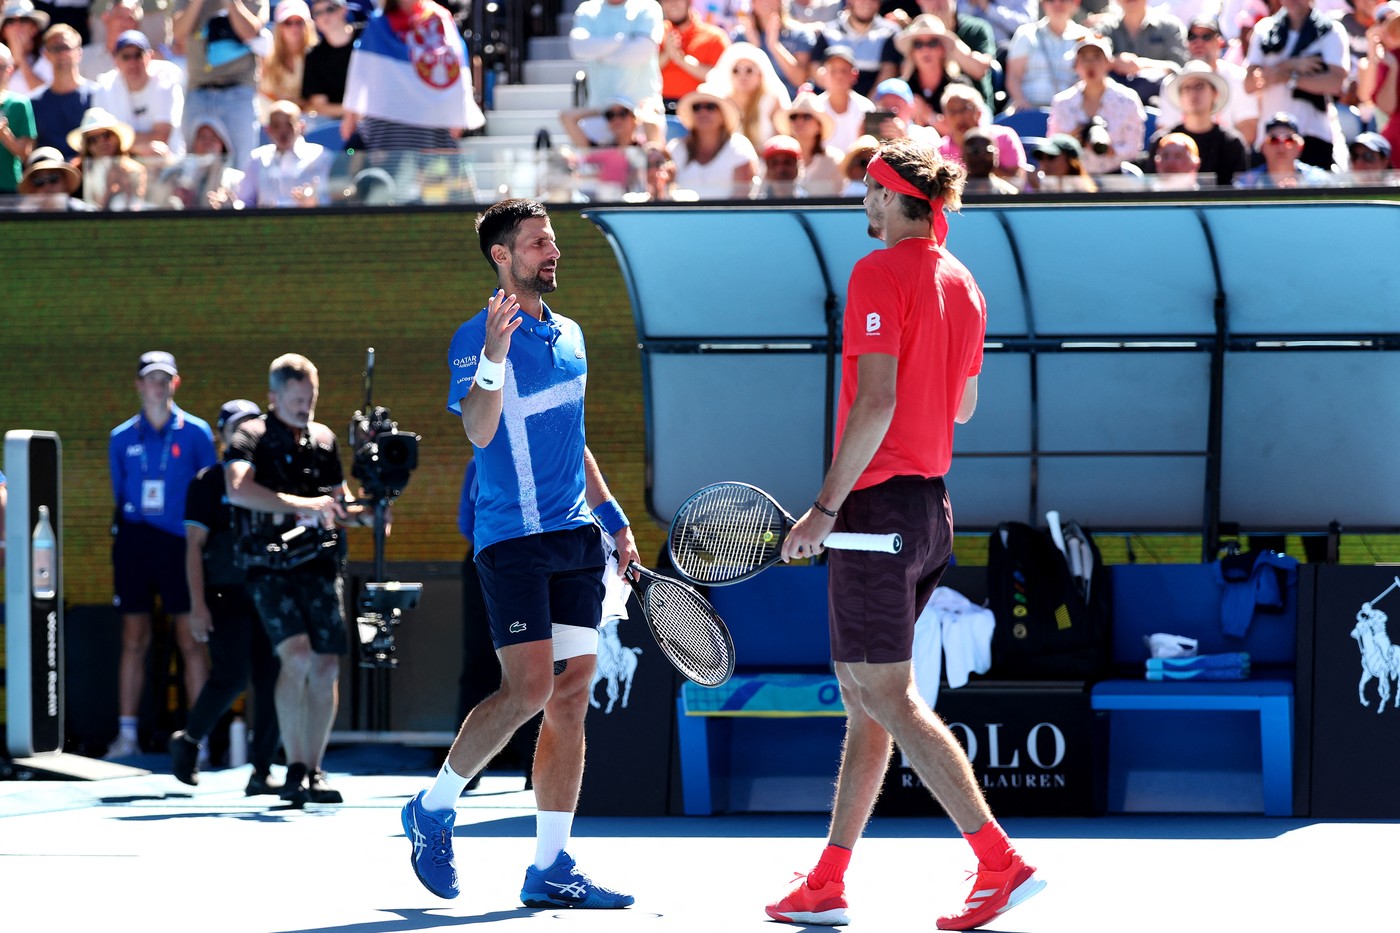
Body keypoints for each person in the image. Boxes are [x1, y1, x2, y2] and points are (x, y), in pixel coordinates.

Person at [763, 136, 1044, 932]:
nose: (863, 202)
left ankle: (1000, 862)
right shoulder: (965, 281)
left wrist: (823, 507)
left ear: (891, 197)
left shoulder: (876, 272)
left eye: (868, 191)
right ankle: (829, 877)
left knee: (884, 693)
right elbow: (961, 408)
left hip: (874, 513)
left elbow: (877, 402)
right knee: (866, 700)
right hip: (929, 514)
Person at [401, 197, 641, 908]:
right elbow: (478, 431)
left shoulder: (571, 334)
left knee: (570, 698)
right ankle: (435, 806)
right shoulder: (474, 338)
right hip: (510, 541)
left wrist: (615, 519)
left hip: (575, 539)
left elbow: (574, 437)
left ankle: (551, 864)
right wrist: (495, 357)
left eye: (553, 239)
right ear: (503, 256)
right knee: (529, 690)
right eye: (538, 242)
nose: (552, 250)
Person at [225, 353, 375, 805]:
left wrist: (368, 510)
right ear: (273, 398)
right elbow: (237, 488)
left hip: (319, 563)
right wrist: (299, 505)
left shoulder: (324, 438)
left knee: (327, 662)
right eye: (295, 402)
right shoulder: (250, 435)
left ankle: (313, 768)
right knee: (297, 656)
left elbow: (337, 501)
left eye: (310, 401)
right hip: (270, 565)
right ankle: (291, 766)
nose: (304, 409)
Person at [106, 351, 219, 760]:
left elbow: (210, 493)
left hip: (180, 544)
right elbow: (121, 494)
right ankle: (127, 736)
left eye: (164, 378)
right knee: (134, 637)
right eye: (150, 378)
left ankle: (199, 740)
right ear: (138, 384)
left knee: (191, 639)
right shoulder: (121, 437)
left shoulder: (196, 433)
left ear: (176, 383)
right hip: (136, 540)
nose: (157, 385)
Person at [170, 398, 283, 796]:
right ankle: (188, 740)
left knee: (272, 679)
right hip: (224, 594)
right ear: (222, 436)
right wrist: (197, 606)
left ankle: (263, 769)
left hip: (268, 592)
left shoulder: (270, 477)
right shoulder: (205, 483)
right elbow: (193, 549)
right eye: (236, 427)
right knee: (231, 675)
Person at [339, 0, 485, 154]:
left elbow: (455, 66)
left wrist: (457, 114)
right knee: (389, 173)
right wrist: (350, 115)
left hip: (430, 120)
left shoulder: (439, 17)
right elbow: (362, 68)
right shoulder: (379, 22)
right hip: (387, 121)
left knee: (434, 174)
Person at [1244, 0, 1349, 169]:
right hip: (1271, 139)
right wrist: (1290, 65)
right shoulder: (1264, 29)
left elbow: (1335, 82)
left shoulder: (1331, 30)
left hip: (1315, 136)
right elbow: (1250, 84)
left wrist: (1290, 79)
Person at [172, 0, 265, 169]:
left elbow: (251, 32)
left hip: (238, 92)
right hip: (198, 91)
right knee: (193, 169)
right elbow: (178, 33)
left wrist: (231, 3)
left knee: (242, 168)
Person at [1047, 33, 1146, 176]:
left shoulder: (1127, 99)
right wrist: (1070, 141)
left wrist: (1112, 150)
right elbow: (1053, 143)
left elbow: (1134, 147)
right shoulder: (1061, 102)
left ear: (1108, 63)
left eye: (1097, 57)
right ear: (1076, 65)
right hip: (1074, 177)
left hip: (1115, 176)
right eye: (1084, 59)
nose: (1090, 64)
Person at [1152, 16, 1260, 145]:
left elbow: (1248, 133)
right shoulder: (1172, 83)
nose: (1198, 42)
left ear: (1220, 42)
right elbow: (1165, 135)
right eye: (1192, 37)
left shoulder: (1239, 78)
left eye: (1206, 36)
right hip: (1184, 160)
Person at [569, 0, 665, 142]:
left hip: (642, 118)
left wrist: (599, 54)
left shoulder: (648, 7)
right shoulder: (587, 9)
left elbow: (641, 52)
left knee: (652, 162)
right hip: (599, 116)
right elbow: (578, 48)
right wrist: (623, 40)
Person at [91, 29, 184, 160]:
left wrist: (122, 141)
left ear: (150, 56)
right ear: (115, 60)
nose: (132, 62)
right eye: (126, 56)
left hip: (164, 164)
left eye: (138, 55)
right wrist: (140, 146)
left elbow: (162, 137)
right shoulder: (104, 87)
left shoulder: (167, 78)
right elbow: (103, 140)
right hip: (123, 167)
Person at [1153, 60, 1249, 185]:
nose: (1193, 93)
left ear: (1215, 94)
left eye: (1199, 86)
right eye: (1187, 88)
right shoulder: (1162, 141)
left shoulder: (1232, 143)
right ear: (1180, 97)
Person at [896, 5, 996, 113]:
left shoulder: (959, 86)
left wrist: (929, 117)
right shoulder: (902, 89)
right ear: (912, 52)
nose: (925, 50)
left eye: (932, 43)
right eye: (918, 44)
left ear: (943, 49)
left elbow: (963, 126)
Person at [667, 80, 759, 197]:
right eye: (697, 107)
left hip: (728, 215)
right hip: (682, 215)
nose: (702, 112)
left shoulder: (740, 146)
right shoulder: (675, 148)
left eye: (710, 107)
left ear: (723, 116)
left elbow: (742, 197)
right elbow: (666, 191)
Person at [237, 99, 330, 206]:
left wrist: (312, 202)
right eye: (276, 125)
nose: (283, 131)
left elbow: (329, 199)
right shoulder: (257, 158)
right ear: (268, 130)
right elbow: (245, 201)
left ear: (301, 126)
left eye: (289, 124)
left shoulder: (320, 156)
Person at [1097, 0, 1189, 105]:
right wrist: (1115, 62)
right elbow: (1088, 62)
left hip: (1161, 105)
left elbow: (1181, 68)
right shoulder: (1105, 29)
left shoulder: (1170, 27)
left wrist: (1143, 64)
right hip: (1112, 105)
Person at [1003, 0, 1089, 112]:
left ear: (1075, 3)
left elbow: (1088, 80)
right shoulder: (1026, 33)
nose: (1057, 4)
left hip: (1070, 114)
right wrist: (1021, 102)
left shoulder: (1085, 37)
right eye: (1051, 0)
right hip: (1027, 111)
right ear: (1043, 4)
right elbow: (1013, 77)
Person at [706, 40, 793, 148]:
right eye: (736, 70)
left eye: (749, 70)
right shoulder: (723, 102)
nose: (742, 75)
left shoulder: (772, 100)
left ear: (760, 75)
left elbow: (783, 141)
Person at [936, 83, 1025, 184]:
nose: (958, 117)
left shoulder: (1004, 137)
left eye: (964, 109)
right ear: (945, 118)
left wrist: (983, 163)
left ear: (979, 112)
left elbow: (1018, 180)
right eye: (952, 112)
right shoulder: (939, 151)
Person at [31, 23, 94, 160]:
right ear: (46, 54)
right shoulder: (33, 102)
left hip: (89, 173)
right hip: (50, 177)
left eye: (66, 47)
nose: (61, 54)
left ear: (79, 53)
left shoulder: (97, 95)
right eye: (55, 48)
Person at [731, 0, 817, 97]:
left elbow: (800, 80)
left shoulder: (800, 35)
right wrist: (754, 48)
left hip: (791, 104)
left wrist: (774, 46)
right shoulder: (740, 36)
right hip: (753, 104)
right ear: (752, 3)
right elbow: (735, 80)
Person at [815, 0, 900, 97]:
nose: (868, 3)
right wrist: (837, 98)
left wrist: (869, 105)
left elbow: (888, 70)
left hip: (873, 105)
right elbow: (815, 68)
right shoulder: (828, 31)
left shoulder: (890, 32)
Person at [69, 104, 148, 208]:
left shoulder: (134, 170)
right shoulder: (78, 173)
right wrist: (109, 190)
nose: (101, 142)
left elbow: (136, 207)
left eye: (106, 135)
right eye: (93, 139)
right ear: (86, 146)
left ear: (117, 138)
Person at [160, 114, 244, 208]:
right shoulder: (177, 176)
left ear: (222, 144)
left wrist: (228, 203)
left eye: (213, 138)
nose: (208, 143)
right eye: (202, 138)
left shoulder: (237, 179)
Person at [1234, 109, 1338, 184]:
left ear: (1299, 146)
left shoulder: (1319, 182)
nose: (1281, 146)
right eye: (1273, 140)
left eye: (1288, 140)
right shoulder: (1246, 184)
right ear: (1263, 147)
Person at [659, 0, 729, 111]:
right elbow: (643, 72)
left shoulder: (715, 37)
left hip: (699, 111)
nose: (672, 4)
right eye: (666, 1)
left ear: (689, 2)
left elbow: (723, 78)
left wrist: (682, 60)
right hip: (660, 107)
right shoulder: (655, 33)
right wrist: (667, 54)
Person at [773, 89, 845, 193]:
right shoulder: (778, 159)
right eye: (793, 117)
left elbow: (841, 199)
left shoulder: (834, 161)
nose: (799, 121)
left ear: (819, 126)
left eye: (807, 116)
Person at [301, 0, 358, 122]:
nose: (324, 16)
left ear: (344, 10)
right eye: (318, 13)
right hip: (336, 121)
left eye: (330, 9)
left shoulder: (368, 37)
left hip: (378, 115)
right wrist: (355, 113)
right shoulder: (314, 56)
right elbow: (320, 105)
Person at [1358, 0, 1400, 167]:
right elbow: (1383, 105)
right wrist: (1373, 50)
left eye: (1395, 19)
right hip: (1389, 141)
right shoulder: (1370, 64)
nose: (1391, 26)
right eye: (1383, 21)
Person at [813, 43, 875, 150]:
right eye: (833, 71)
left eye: (844, 70)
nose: (839, 76)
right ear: (823, 75)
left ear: (854, 75)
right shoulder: (814, 108)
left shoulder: (867, 108)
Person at [259, 0, 315, 114]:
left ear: (308, 25)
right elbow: (265, 93)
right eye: (288, 22)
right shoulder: (267, 59)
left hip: (312, 119)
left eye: (299, 22)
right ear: (279, 27)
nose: (294, 27)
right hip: (277, 119)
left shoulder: (318, 56)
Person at [0, 43, 36, 193]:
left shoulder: (19, 104)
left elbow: (25, 154)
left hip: (8, 187)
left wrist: (3, 133)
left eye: (0, 67)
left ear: (10, 70)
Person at [79, 0, 142, 80]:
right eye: (120, 16)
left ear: (137, 25)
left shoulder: (142, 62)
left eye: (130, 18)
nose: (124, 23)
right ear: (106, 18)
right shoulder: (84, 57)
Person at [16, 142, 90, 206]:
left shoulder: (87, 215)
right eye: (39, 181)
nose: (47, 186)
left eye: (53, 178)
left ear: (65, 182)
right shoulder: (21, 220)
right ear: (32, 189)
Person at [2, 0, 51, 95]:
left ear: (34, 28)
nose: (17, 26)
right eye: (10, 21)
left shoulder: (49, 55)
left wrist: (21, 59)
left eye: (24, 20)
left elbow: (48, 96)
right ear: (3, 31)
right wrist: (14, 63)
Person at [1029, 131, 1097, 189]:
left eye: (1051, 156)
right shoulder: (1037, 187)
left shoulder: (1084, 192)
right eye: (1041, 157)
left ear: (1071, 161)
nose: (1045, 163)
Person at [960, 124, 1019, 191]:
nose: (982, 156)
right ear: (963, 155)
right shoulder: (953, 194)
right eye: (975, 151)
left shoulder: (1007, 193)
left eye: (988, 150)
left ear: (996, 154)